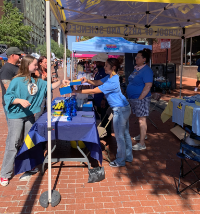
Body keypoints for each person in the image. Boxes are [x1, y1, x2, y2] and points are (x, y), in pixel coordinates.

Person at [1, 55, 68, 186]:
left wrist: (61, 81)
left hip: (30, 115)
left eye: (37, 64)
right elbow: (8, 97)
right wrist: (19, 100)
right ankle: (5, 173)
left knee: (28, 142)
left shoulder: (36, 81)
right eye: (35, 64)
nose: (37, 67)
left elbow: (50, 86)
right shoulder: (16, 81)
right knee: (13, 143)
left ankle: (29, 165)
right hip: (16, 116)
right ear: (27, 65)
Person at [71, 58, 133, 167]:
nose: (104, 68)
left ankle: (120, 160)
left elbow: (94, 90)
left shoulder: (112, 81)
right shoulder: (111, 77)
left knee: (120, 137)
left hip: (120, 110)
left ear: (113, 67)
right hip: (124, 108)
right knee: (125, 134)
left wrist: (77, 91)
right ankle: (128, 156)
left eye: (106, 66)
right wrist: (87, 80)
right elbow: (97, 82)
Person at [126, 48, 153, 151]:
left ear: (144, 59)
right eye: (136, 56)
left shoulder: (147, 70)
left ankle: (142, 143)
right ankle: (143, 135)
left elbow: (148, 86)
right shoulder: (137, 68)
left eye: (138, 57)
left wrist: (140, 99)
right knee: (139, 118)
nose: (136, 58)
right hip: (134, 98)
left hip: (142, 98)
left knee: (142, 120)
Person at [0, 47, 23, 120]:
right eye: (19, 54)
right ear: (13, 55)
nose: (21, 56)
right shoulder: (6, 69)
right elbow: (8, 88)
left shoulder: (16, 66)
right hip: (11, 104)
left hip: (19, 102)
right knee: (14, 129)